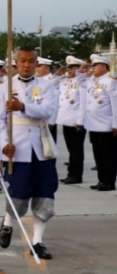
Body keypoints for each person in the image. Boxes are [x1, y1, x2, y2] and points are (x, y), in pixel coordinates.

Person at [0, 46, 58, 260]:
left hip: (41, 146)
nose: (26, 65)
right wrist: (5, 143)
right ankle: (7, 223)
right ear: (16, 62)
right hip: (18, 147)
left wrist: (22, 106)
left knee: (44, 194)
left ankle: (38, 240)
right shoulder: (5, 86)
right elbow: (0, 120)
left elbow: (48, 111)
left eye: (31, 61)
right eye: (22, 61)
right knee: (18, 192)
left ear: (36, 63)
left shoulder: (46, 86)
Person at [77, 54, 116, 191]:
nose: (91, 68)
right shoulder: (92, 80)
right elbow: (80, 84)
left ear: (103, 66)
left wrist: (115, 124)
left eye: (94, 65)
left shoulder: (111, 80)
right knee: (98, 155)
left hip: (106, 125)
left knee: (108, 156)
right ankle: (102, 180)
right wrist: (81, 71)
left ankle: (109, 182)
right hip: (93, 125)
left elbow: (115, 103)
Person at [57, 56, 87, 184]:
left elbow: (83, 104)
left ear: (78, 69)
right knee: (71, 150)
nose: (69, 70)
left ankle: (76, 175)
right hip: (66, 120)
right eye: (68, 67)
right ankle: (71, 173)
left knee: (76, 150)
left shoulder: (82, 82)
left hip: (76, 121)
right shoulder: (65, 81)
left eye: (72, 67)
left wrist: (80, 121)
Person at [37, 57, 60, 142]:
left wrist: (51, 121)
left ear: (47, 69)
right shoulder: (38, 80)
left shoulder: (52, 81)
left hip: (48, 120)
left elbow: (55, 102)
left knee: (49, 148)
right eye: (37, 66)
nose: (37, 69)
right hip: (38, 118)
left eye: (39, 66)